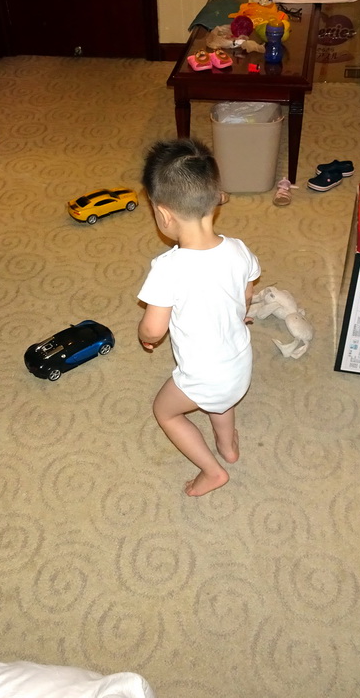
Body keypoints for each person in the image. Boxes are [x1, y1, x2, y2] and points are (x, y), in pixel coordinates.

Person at [136, 139, 261, 496]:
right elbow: (246, 294)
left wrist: (145, 334)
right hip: (239, 365)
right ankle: (228, 445)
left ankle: (212, 470)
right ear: (217, 198)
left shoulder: (167, 269)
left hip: (204, 376)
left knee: (166, 412)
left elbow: (154, 329)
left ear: (163, 215)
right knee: (220, 402)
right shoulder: (238, 250)